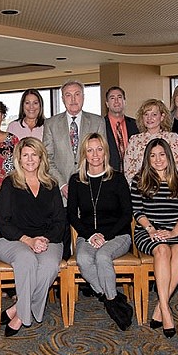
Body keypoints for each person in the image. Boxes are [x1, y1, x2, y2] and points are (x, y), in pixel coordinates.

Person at [0, 137, 67, 337]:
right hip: (13, 240)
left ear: (41, 157)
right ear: (18, 158)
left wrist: (43, 240)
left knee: (50, 265)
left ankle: (18, 310)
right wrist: (28, 240)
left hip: (48, 240)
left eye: (34, 154)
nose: (30, 159)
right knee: (26, 259)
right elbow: (4, 222)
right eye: (25, 155)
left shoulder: (51, 184)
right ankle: (23, 316)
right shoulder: (10, 183)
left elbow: (60, 222)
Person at [67, 133, 133, 330]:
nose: (95, 154)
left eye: (99, 149)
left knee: (103, 256)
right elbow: (72, 215)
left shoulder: (118, 179)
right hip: (88, 235)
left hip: (117, 235)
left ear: (106, 152)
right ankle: (111, 299)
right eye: (90, 150)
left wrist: (106, 235)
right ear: (84, 154)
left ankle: (112, 304)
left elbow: (126, 214)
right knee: (84, 260)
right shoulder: (76, 180)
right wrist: (90, 235)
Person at [130, 138, 178, 338]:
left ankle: (160, 305)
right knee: (162, 250)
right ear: (147, 159)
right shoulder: (139, 180)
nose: (157, 159)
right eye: (152, 155)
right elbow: (137, 211)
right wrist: (151, 230)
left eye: (161, 154)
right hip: (148, 231)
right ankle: (166, 310)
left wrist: (174, 232)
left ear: (169, 156)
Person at [43, 80, 106, 199]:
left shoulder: (98, 122)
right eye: (68, 95)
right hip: (61, 193)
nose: (73, 99)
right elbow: (47, 158)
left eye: (77, 94)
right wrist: (62, 185)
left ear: (83, 97)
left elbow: (103, 156)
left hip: (91, 190)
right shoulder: (50, 124)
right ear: (62, 99)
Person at [123, 99, 178, 184]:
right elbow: (128, 170)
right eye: (146, 114)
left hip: (166, 187)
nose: (149, 118)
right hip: (140, 188)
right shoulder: (134, 140)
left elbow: (174, 168)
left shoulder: (173, 138)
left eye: (154, 114)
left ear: (162, 117)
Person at [103, 86, 139, 173]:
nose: (116, 101)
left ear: (124, 101)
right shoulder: (100, 125)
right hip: (109, 175)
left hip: (133, 175)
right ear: (107, 104)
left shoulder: (136, 125)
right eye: (112, 98)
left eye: (119, 97)